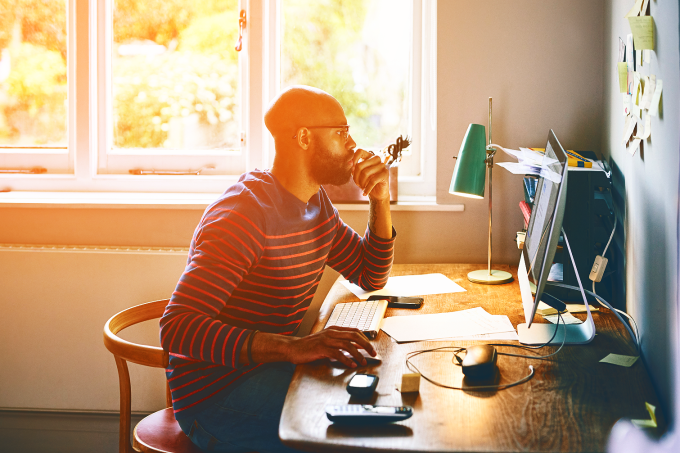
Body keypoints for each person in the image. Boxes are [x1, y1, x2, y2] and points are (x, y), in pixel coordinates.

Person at [159, 85, 396, 453]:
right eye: (341, 133)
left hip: (267, 372)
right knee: (350, 435)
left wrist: (380, 199)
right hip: (216, 396)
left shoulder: (315, 204)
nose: (352, 145)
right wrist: (295, 348)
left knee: (371, 405)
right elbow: (177, 327)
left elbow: (370, 275)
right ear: (303, 137)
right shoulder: (245, 215)